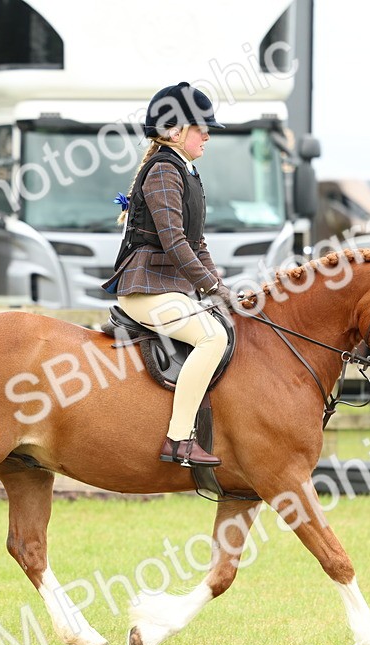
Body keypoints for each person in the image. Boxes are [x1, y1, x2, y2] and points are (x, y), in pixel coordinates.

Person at [102, 82, 233, 468]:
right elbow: (174, 243)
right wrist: (209, 286)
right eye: (200, 127)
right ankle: (179, 439)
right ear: (174, 130)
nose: (207, 134)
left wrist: (222, 289)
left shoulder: (186, 172)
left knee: (224, 323)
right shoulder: (163, 170)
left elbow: (198, 243)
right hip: (146, 290)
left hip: (167, 288)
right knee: (212, 339)